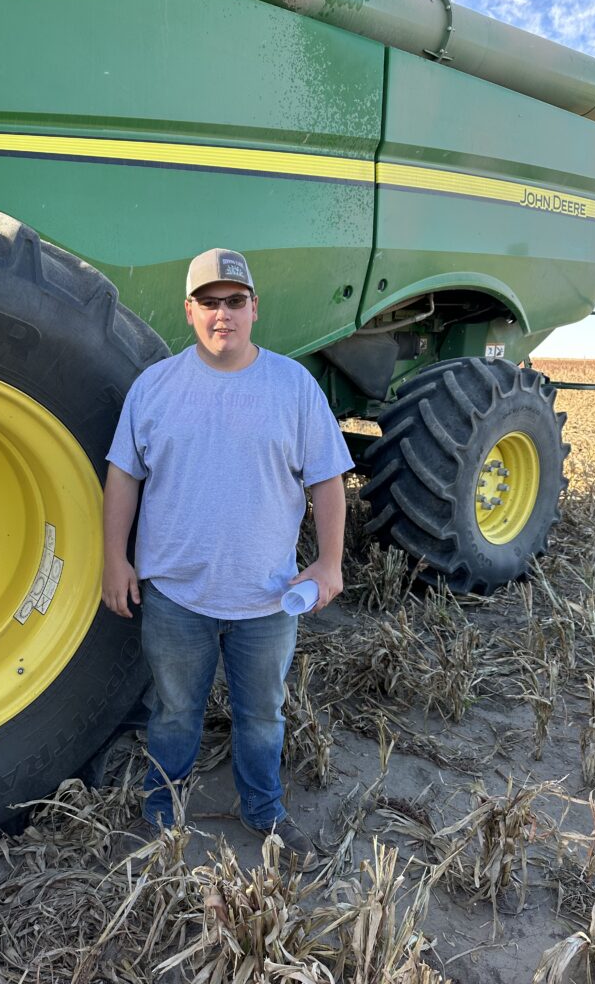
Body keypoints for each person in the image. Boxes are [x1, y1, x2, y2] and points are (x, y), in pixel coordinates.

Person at [102, 248, 354, 869]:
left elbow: (327, 480)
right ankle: (162, 814)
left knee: (262, 716)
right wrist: (114, 558)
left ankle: (264, 811)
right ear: (189, 311)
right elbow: (122, 477)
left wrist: (328, 563)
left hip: (268, 599)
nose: (223, 314)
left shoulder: (292, 387)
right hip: (175, 596)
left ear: (254, 308)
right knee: (174, 711)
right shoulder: (155, 388)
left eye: (234, 301)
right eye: (209, 303)